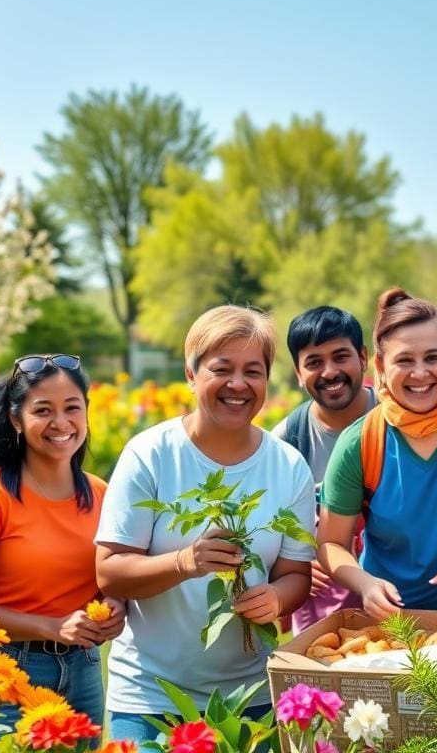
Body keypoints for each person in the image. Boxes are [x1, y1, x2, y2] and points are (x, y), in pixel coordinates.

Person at [95, 306, 316, 742]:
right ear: (191, 374)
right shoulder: (151, 454)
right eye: (221, 368)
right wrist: (184, 561)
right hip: (150, 697)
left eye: (253, 370)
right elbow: (110, 571)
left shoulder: (287, 466)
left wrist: (275, 597)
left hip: (250, 695)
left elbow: (296, 576)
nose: (238, 384)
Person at [0, 355, 125, 730]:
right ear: (16, 420)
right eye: (43, 410)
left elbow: (111, 579)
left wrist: (115, 605)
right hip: (5, 672)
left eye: (72, 408)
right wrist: (51, 627)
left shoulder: (101, 494)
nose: (61, 423)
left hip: (84, 670)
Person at [318, 288, 437, 619]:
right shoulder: (360, 443)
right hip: (392, 627)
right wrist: (365, 584)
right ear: (381, 365)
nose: (419, 374)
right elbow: (331, 543)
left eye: (432, 357)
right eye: (404, 360)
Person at [274, 306, 374, 632]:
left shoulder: (396, 423)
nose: (330, 372)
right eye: (314, 362)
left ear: (363, 357)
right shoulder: (287, 440)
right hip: (322, 615)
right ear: (298, 372)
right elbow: (265, 527)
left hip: (398, 597)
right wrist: (290, 566)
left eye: (340, 356)